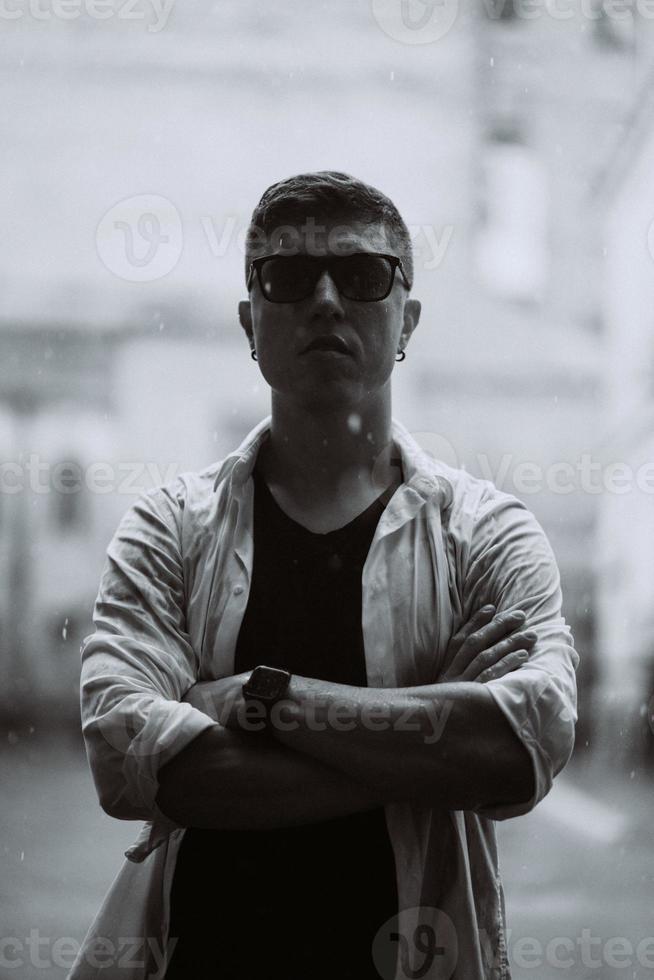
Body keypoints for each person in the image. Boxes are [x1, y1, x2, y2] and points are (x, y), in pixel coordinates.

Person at [71, 171, 578, 980]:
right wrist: (424, 743)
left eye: (365, 274)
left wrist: (258, 701)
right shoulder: (168, 528)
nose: (329, 299)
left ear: (407, 317)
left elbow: (525, 746)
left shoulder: (485, 532)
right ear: (251, 321)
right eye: (290, 276)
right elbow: (128, 760)